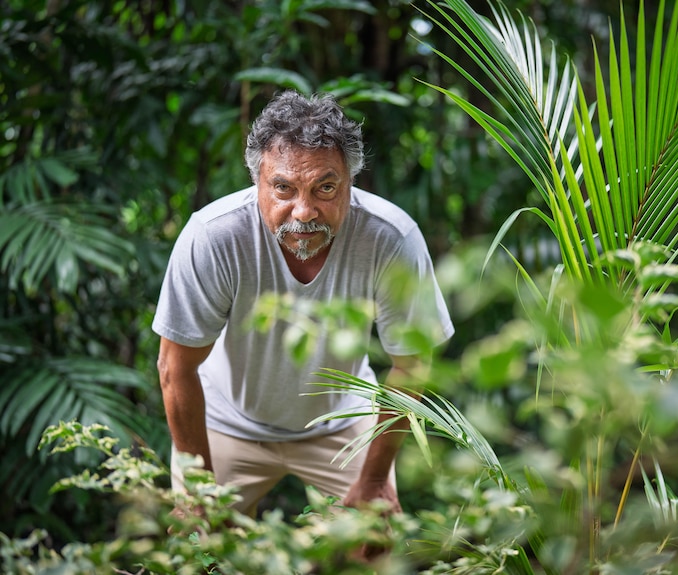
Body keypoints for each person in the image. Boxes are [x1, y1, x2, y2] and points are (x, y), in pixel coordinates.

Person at [153, 90, 454, 522]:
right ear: (257, 182)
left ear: (352, 182)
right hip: (227, 421)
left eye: (325, 187)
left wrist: (372, 481)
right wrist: (198, 491)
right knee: (197, 553)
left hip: (342, 422)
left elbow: (413, 365)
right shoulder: (214, 236)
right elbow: (174, 368)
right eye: (283, 188)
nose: (304, 211)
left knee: (372, 548)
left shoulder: (390, 238)